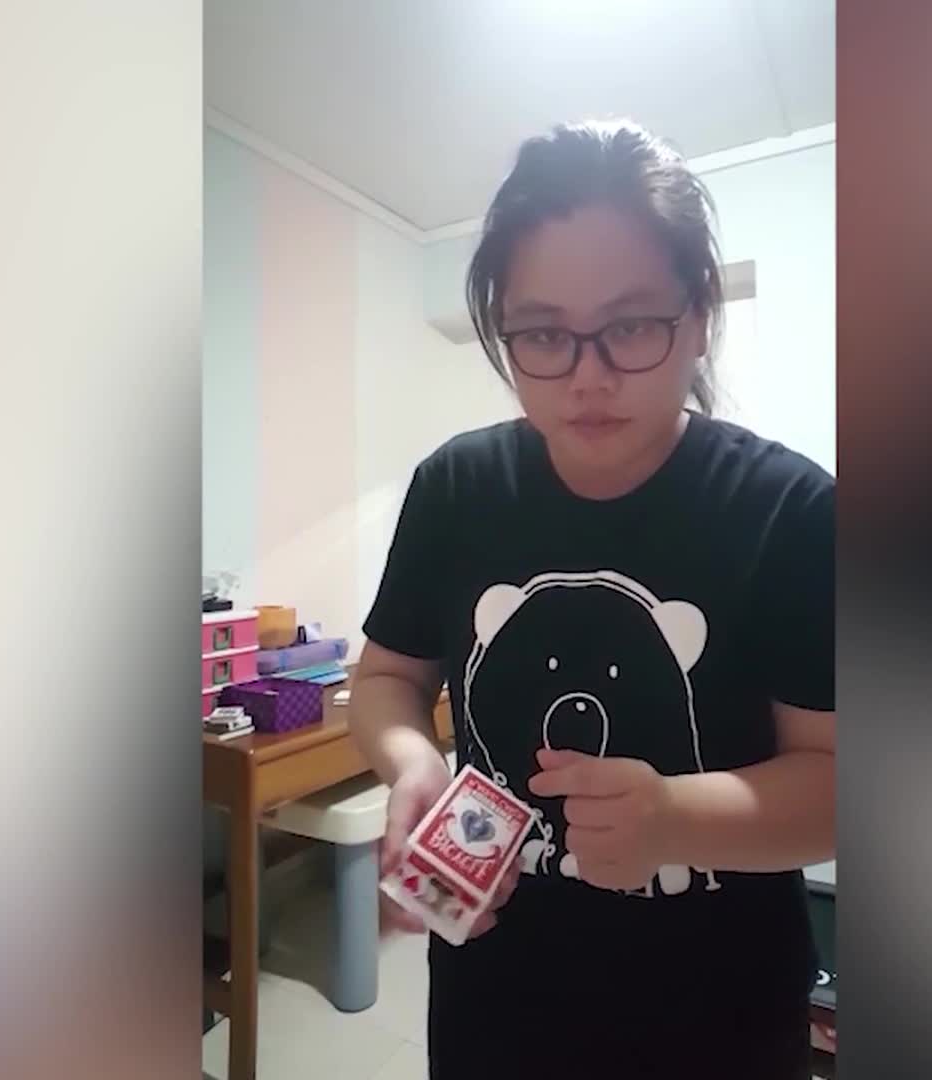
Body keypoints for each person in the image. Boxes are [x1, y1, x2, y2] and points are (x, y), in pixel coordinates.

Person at [347, 120, 836, 1080]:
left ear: (699, 314)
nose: (588, 375)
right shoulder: (456, 488)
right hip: (494, 1001)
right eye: (543, 334)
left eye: (631, 326)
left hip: (718, 1021)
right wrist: (412, 765)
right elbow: (387, 680)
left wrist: (675, 817)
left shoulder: (791, 510)